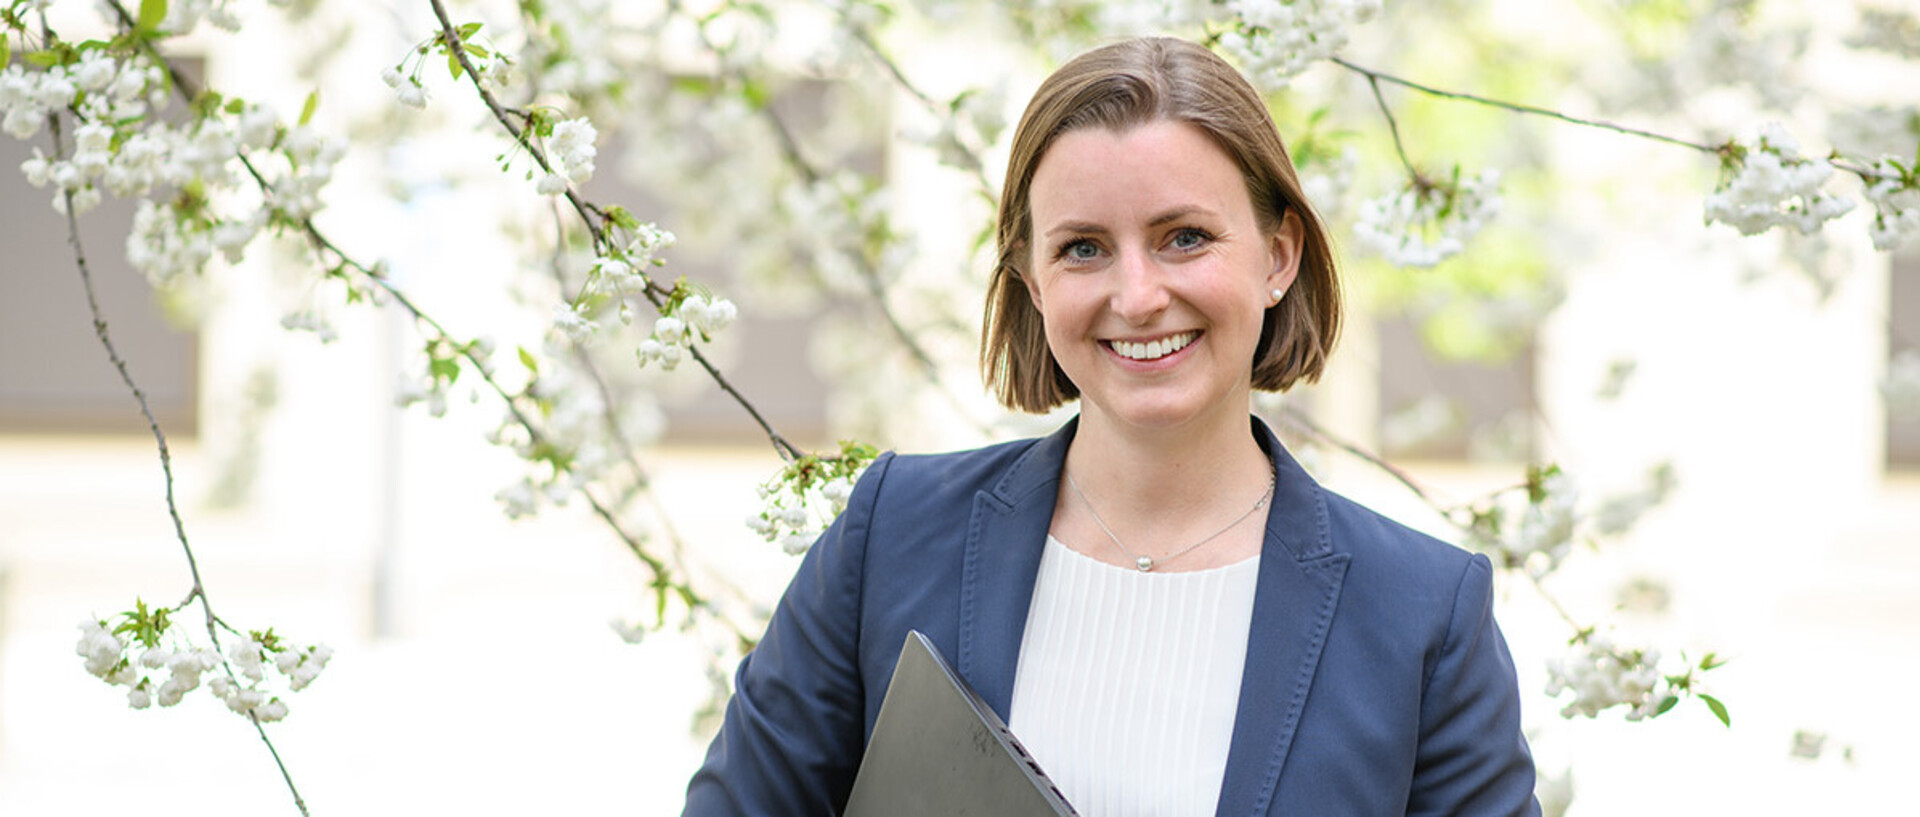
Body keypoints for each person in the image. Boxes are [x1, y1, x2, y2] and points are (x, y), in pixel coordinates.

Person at [683, 36, 1539, 816]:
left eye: (1185, 237)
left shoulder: (1423, 612)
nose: (1136, 296)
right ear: (1030, 279)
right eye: (1083, 248)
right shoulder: (891, 537)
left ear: (1278, 258)